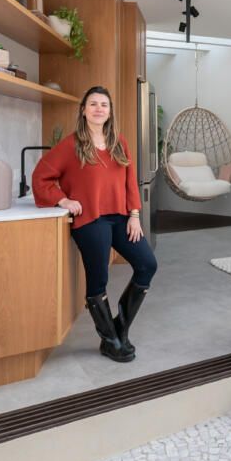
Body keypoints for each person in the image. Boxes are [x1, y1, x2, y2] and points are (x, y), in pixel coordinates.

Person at [33, 85, 157, 363]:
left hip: (121, 217)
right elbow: (41, 175)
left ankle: (119, 329)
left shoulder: (118, 142)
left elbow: (130, 181)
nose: (99, 109)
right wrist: (62, 200)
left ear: (110, 112)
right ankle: (111, 341)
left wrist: (135, 215)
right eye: (93, 104)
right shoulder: (71, 145)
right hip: (91, 220)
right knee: (99, 278)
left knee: (147, 264)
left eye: (104, 104)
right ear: (83, 110)